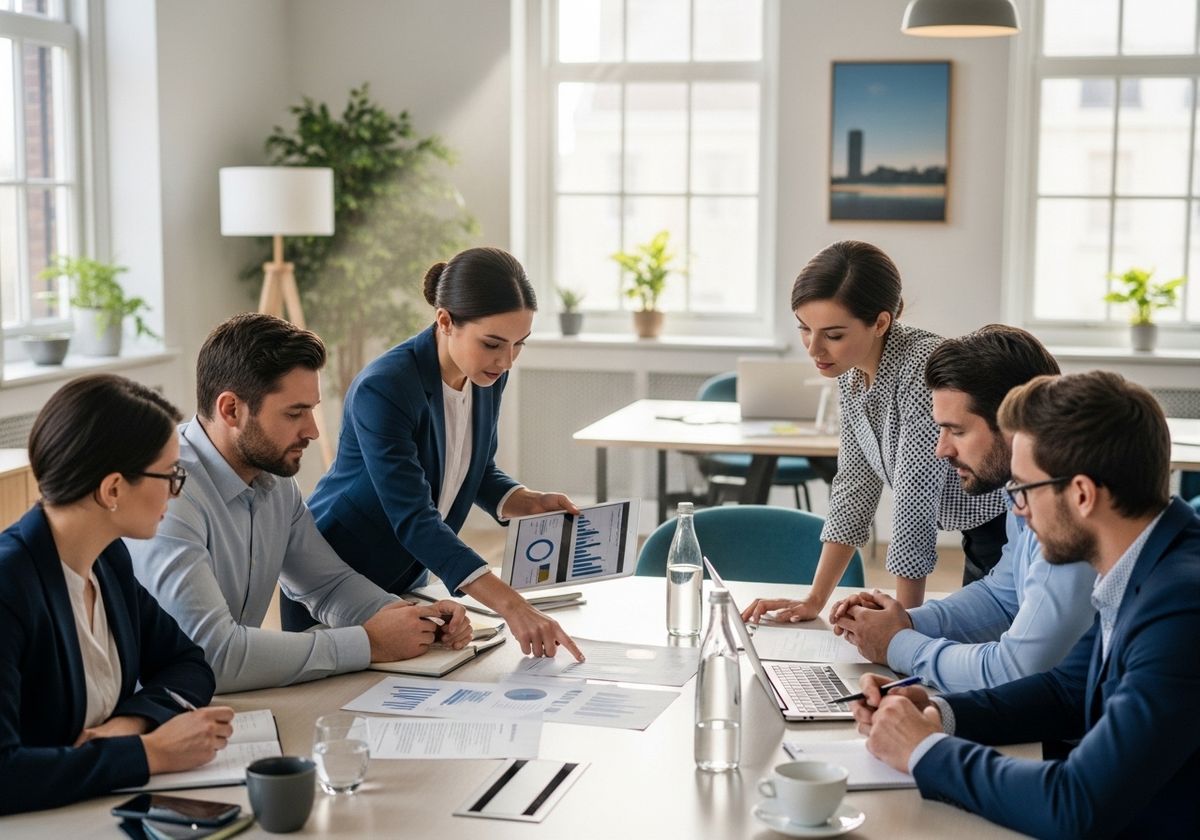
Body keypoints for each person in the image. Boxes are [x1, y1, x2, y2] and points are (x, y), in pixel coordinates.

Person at [853, 371, 1200, 839]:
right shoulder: (1144, 562)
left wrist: (925, 749)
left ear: (1081, 494)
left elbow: (1076, 803)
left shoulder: (1180, 606)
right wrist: (940, 713)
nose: (1016, 510)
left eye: (1022, 489)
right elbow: (1067, 690)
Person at [128, 314, 472, 693]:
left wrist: (411, 620)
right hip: (155, 715)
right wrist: (368, 643)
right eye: (295, 413)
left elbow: (326, 584)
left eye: (312, 409)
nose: (312, 430)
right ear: (231, 410)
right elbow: (210, 653)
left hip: (226, 702)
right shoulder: (169, 491)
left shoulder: (273, 479)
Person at [292, 246, 585, 661]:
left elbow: (473, 468)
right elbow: (414, 517)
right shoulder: (386, 387)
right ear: (445, 321)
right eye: (493, 343)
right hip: (339, 575)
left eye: (519, 344)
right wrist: (513, 605)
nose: (506, 361)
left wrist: (526, 500)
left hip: (409, 574)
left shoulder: (484, 376)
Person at [0, 375, 233, 814]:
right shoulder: (10, 586)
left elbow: (188, 663)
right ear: (112, 490)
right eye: (169, 475)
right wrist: (152, 753)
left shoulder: (108, 562)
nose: (174, 491)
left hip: (94, 808)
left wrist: (131, 724)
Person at [741, 241, 1006, 621]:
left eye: (833, 335)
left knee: (1000, 648)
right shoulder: (849, 372)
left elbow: (915, 500)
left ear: (881, 323)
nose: (814, 348)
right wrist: (815, 600)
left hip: (1007, 525)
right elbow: (854, 484)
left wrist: (903, 627)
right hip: (974, 525)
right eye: (804, 328)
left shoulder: (922, 368)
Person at [827, 325, 1096, 693]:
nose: (942, 450)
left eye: (957, 431)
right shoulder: (1022, 489)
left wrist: (897, 644)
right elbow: (1003, 598)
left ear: (1014, 424)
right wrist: (901, 621)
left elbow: (1017, 668)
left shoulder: (1066, 515)